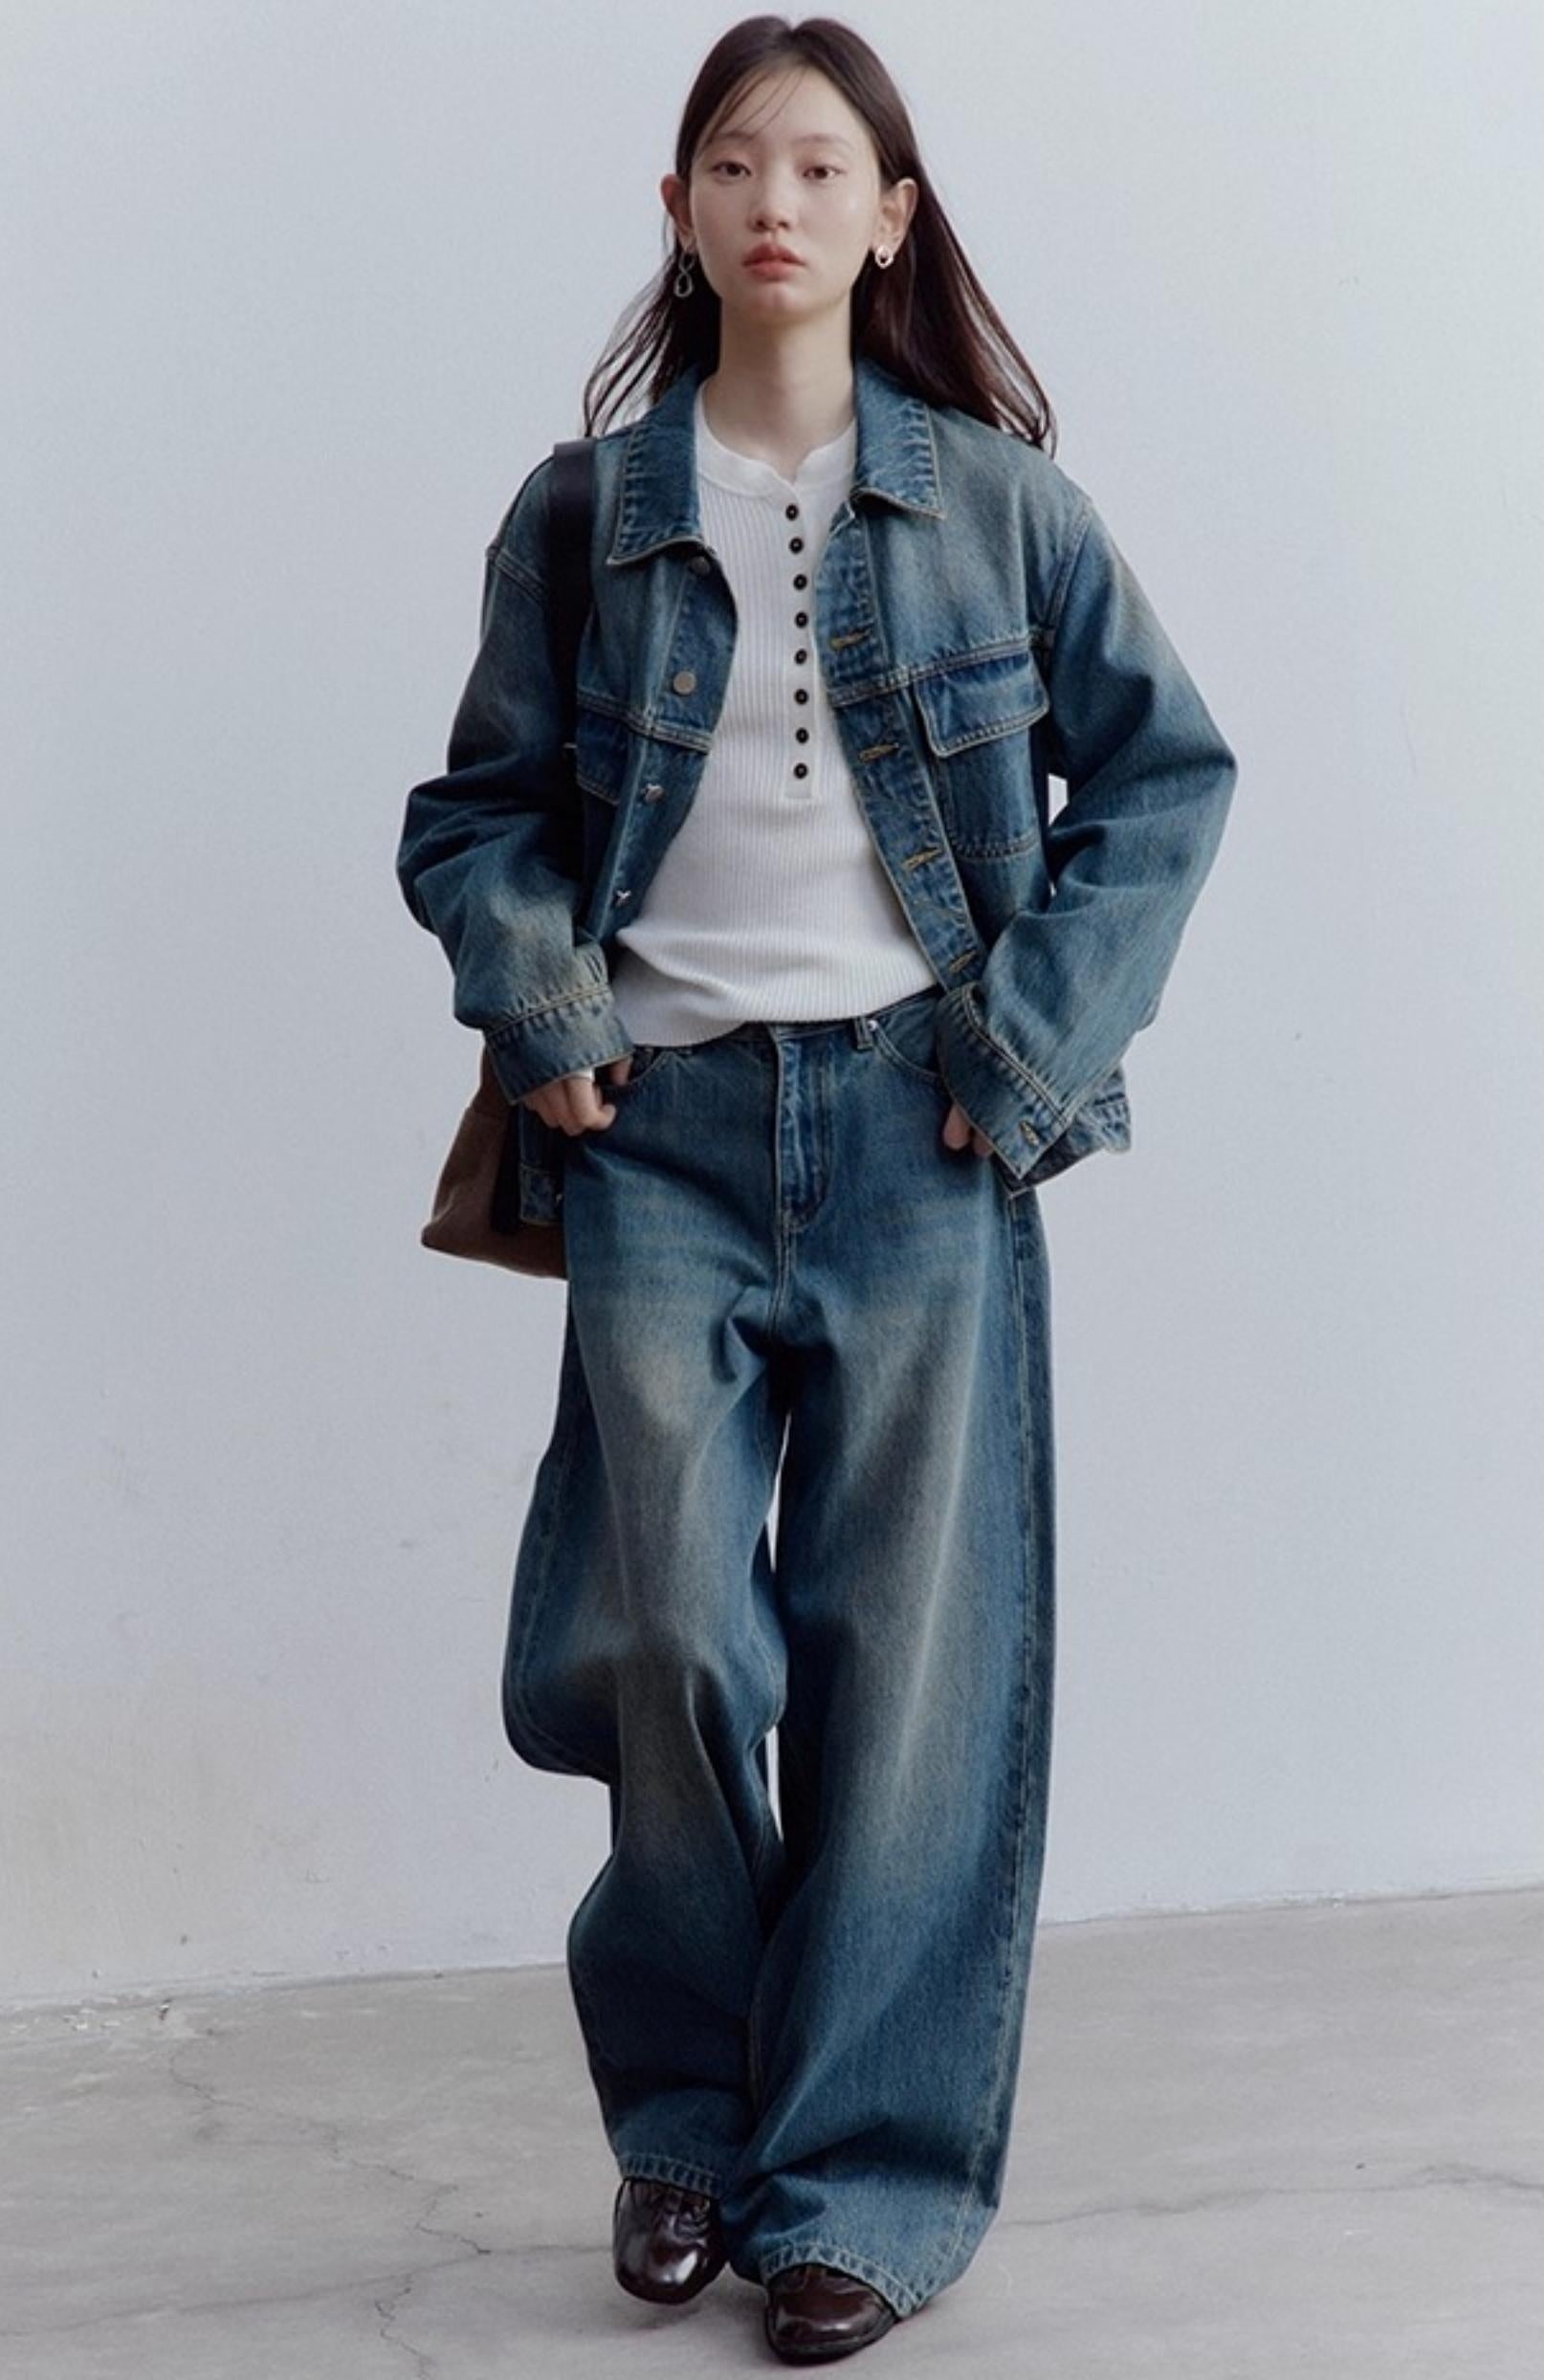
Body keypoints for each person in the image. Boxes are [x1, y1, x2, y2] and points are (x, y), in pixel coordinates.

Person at [396, 15, 1237, 2363]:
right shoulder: (582, 512)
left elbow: (1163, 780)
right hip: (654, 1136)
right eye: (731, 163)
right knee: (662, 1638)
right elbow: (474, 816)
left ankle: (855, 2181)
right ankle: (686, 2124)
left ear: (889, 219)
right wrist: (545, 1003)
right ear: (677, 211)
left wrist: (1021, 1049)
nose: (774, 198)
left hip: (916, 1136)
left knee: (907, 1678)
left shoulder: (1001, 507)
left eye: (821, 165)